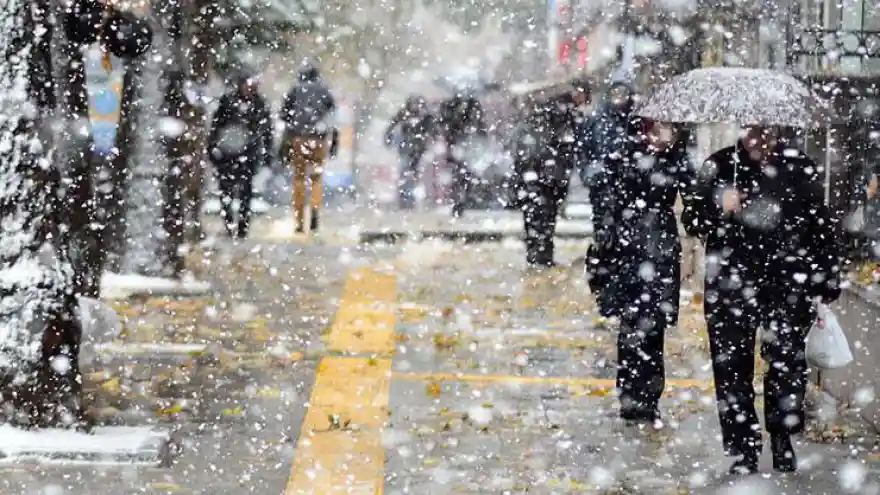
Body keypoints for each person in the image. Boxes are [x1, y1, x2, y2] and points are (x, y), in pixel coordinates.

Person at [684, 126, 843, 474]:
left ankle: (783, 437)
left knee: (786, 362)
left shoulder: (797, 166)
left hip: (786, 282)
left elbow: (820, 224)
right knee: (731, 368)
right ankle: (744, 447)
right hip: (730, 282)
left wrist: (827, 277)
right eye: (754, 133)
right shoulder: (721, 165)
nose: (761, 141)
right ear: (743, 133)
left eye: (767, 134)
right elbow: (692, 219)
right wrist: (719, 204)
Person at [578, 80, 639, 318]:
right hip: (604, 195)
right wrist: (595, 175)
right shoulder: (597, 122)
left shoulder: (635, 122)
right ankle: (606, 296)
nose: (619, 99)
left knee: (627, 248)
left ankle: (622, 296)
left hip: (631, 196)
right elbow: (584, 154)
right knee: (605, 244)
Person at [208, 73, 273, 239]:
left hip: (248, 154)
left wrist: (266, 155)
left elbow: (267, 131)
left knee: (245, 192)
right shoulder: (228, 101)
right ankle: (230, 225)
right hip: (227, 154)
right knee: (226, 191)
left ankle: (242, 227)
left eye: (253, 85)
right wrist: (213, 148)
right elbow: (216, 126)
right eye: (247, 85)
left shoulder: (259, 104)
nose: (250, 89)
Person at [281, 61, 336, 233]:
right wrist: (334, 142)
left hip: (298, 138)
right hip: (319, 139)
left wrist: (284, 145)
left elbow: (284, 116)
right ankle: (314, 208)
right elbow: (333, 119)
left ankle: (299, 221)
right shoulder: (325, 92)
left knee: (298, 178)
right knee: (316, 177)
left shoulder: (295, 91)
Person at [437, 90, 488, 218]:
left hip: (468, 146)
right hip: (457, 145)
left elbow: (480, 124)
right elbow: (445, 123)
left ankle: (466, 201)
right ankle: (460, 202)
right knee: (460, 176)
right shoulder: (451, 106)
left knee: (467, 175)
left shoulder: (472, 105)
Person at [385, 95, 435, 209]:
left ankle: (415, 198)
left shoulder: (426, 118)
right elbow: (392, 128)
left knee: (416, 174)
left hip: (420, 151)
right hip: (406, 149)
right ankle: (405, 199)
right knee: (405, 173)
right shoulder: (403, 115)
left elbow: (432, 132)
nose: (415, 107)